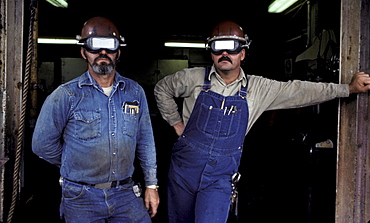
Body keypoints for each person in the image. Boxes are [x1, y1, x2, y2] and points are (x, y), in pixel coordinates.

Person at [154, 20, 370, 223]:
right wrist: (177, 124)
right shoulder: (192, 78)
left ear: (243, 53)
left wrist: (347, 89)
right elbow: (161, 88)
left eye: (233, 48)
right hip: (184, 169)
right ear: (211, 53)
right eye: (218, 47)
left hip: (219, 176)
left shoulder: (259, 88)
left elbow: (301, 90)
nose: (225, 53)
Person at [32, 16, 159, 222]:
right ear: (84, 52)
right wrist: (74, 161)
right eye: (94, 47)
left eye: (109, 47)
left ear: (118, 52)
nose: (103, 53)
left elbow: (145, 141)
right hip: (81, 197)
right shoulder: (66, 95)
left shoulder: (135, 92)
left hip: (125, 193)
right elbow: (42, 145)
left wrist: (151, 186)